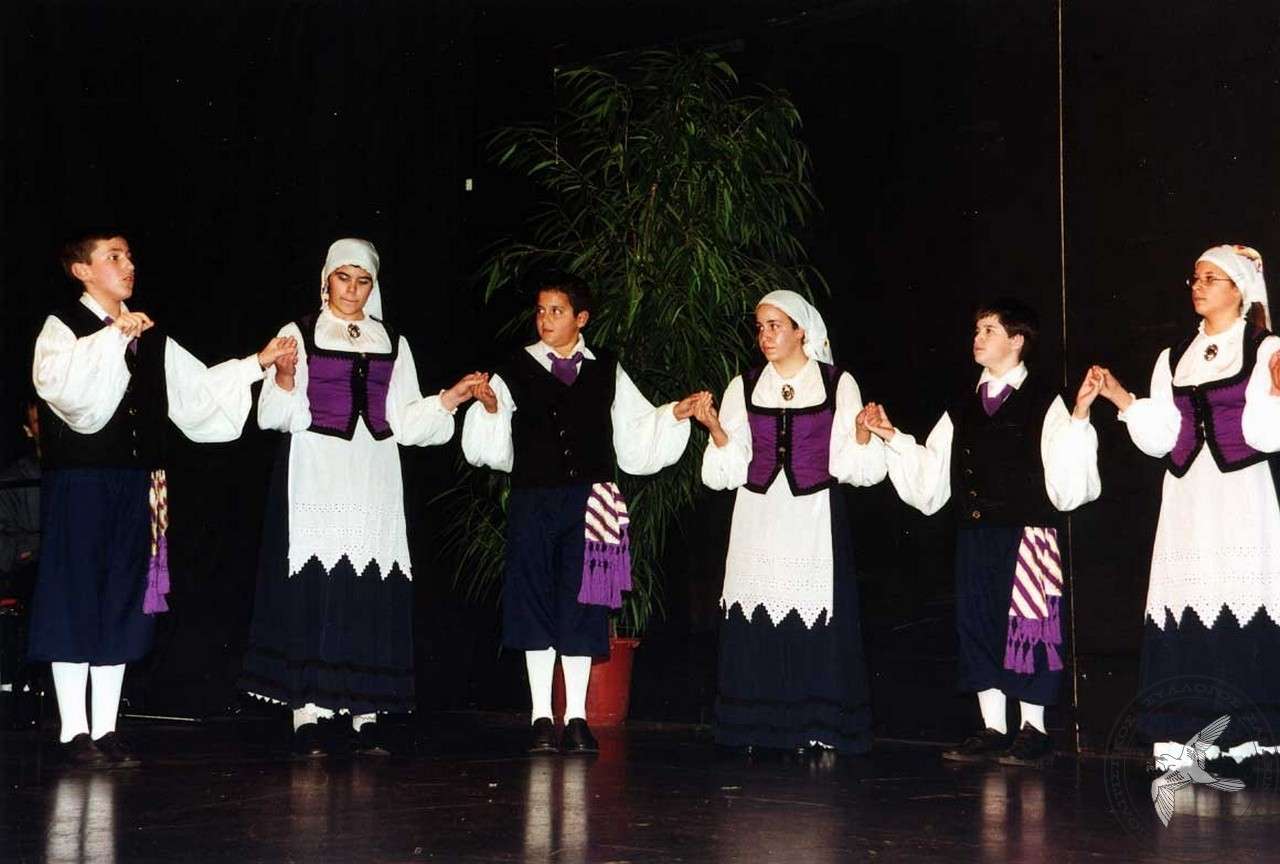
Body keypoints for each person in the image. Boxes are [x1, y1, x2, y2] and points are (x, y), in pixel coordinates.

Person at [30, 230, 295, 768]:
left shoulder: (150, 335)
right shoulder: (63, 328)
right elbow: (67, 396)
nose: (128, 264)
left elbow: (198, 394)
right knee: (76, 592)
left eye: (128, 255)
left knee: (125, 596)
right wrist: (112, 336)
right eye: (113, 256)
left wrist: (257, 362)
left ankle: (105, 728)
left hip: (138, 484)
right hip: (82, 483)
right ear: (82, 271)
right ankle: (72, 731)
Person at [240, 238, 482, 757]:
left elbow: (405, 418)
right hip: (316, 468)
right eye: (343, 277)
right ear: (326, 280)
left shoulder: (391, 339)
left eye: (363, 280)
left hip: (373, 471)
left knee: (368, 580)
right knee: (315, 581)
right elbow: (275, 416)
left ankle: (365, 710)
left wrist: (451, 398)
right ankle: (307, 711)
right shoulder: (299, 332)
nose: (352, 289)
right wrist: (285, 376)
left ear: (374, 286)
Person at [462, 271, 705, 754]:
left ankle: (576, 717)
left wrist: (675, 414)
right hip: (533, 500)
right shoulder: (514, 367)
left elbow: (636, 429)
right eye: (540, 310)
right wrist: (489, 407)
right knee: (533, 600)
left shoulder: (606, 369)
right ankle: (540, 718)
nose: (545, 319)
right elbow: (489, 446)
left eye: (556, 311)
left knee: (584, 603)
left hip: (592, 503)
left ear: (582, 318)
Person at [862, 298, 1101, 767]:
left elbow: (1067, 476)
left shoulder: (1046, 400)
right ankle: (993, 727)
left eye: (989, 330)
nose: (977, 338)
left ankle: (1033, 730)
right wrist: (892, 436)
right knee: (979, 624)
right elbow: (933, 473)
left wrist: (1079, 417)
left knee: (1030, 627)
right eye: (976, 330)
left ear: (1017, 340)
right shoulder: (962, 406)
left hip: (1027, 535)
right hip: (976, 535)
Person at [1095, 244, 1280, 764]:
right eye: (1195, 278)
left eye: (1210, 278)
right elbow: (1163, 436)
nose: (1198, 286)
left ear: (1238, 289)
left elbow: (1265, 434)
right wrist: (1121, 398)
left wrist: (1276, 391)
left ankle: (1249, 738)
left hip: (1239, 494)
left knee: (1241, 601)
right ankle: (1184, 735)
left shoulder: (1265, 348)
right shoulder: (1174, 355)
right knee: (1187, 606)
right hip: (1187, 497)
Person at [693, 290, 886, 755]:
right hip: (758, 514)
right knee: (755, 611)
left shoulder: (837, 383)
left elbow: (851, 463)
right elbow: (730, 465)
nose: (765, 335)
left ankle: (816, 726)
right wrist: (715, 428)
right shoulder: (744, 385)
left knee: (814, 616)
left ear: (801, 331)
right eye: (760, 327)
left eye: (775, 325)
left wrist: (862, 433)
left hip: (812, 516)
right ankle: (753, 727)